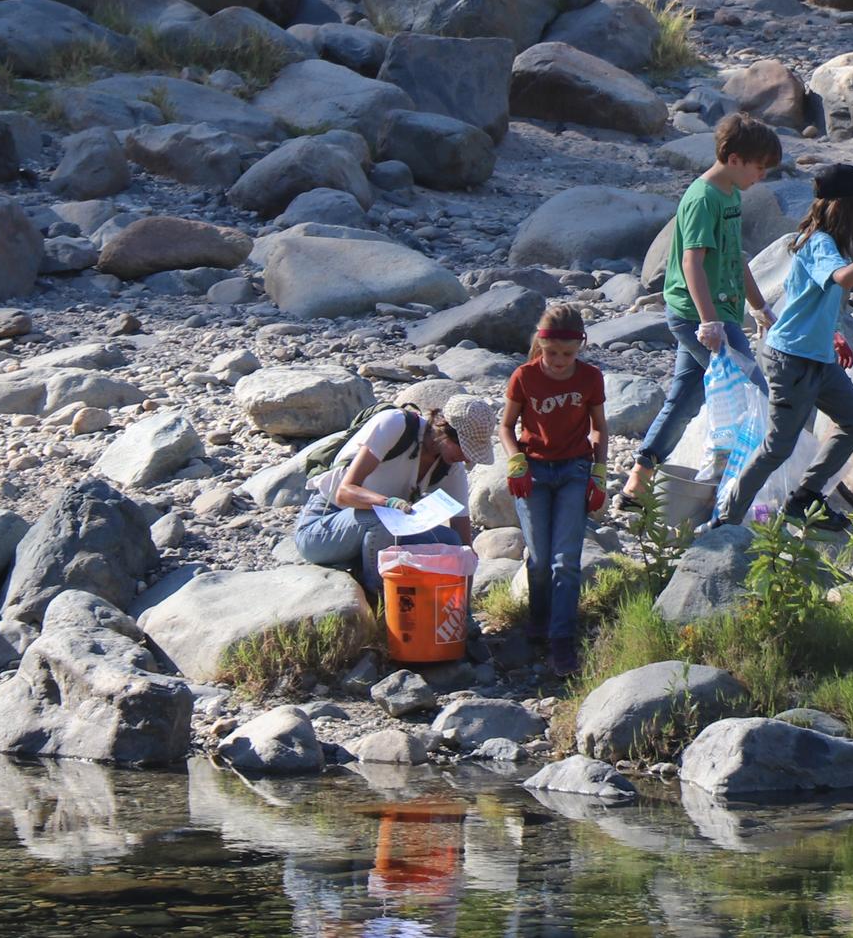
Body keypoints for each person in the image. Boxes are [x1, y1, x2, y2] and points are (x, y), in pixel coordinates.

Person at [712, 163, 853, 531]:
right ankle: (727, 518)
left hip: (817, 355)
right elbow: (841, 278)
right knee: (778, 447)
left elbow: (808, 301)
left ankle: (805, 497)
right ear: (847, 207)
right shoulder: (819, 242)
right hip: (791, 358)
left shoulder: (825, 244)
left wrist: (833, 334)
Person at [617, 113, 782, 512]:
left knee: (685, 399)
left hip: (718, 312)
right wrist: (710, 322)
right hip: (698, 316)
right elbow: (693, 261)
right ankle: (745, 492)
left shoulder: (731, 196)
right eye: (759, 167)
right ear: (735, 158)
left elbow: (734, 256)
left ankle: (637, 483)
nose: (762, 176)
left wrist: (759, 307)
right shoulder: (702, 198)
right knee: (756, 391)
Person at [501, 302, 609, 677]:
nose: (560, 361)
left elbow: (599, 428)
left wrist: (599, 472)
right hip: (534, 472)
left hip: (574, 470)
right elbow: (506, 426)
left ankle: (562, 639)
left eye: (568, 354)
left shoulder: (591, 377)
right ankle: (539, 619)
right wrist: (515, 460)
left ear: (579, 347)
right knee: (541, 558)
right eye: (552, 353)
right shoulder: (524, 376)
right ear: (540, 345)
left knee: (566, 560)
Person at [294, 397, 496, 593]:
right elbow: (345, 493)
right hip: (320, 529)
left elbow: (463, 542)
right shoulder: (395, 424)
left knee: (452, 542)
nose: (467, 458)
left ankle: (455, 614)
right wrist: (388, 503)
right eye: (464, 447)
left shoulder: (451, 466)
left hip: (381, 532)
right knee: (385, 520)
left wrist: (464, 614)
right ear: (443, 429)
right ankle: (381, 600)